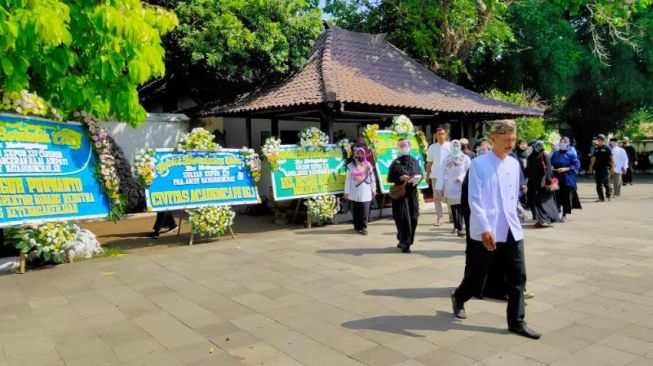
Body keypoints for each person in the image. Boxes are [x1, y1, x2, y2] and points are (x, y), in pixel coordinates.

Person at [450, 119, 540, 340]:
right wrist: (484, 228)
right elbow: (475, 199)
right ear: (493, 140)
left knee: (518, 276)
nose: (511, 144)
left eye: (513, 140)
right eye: (506, 140)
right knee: (477, 274)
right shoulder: (479, 164)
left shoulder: (514, 164)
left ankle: (517, 322)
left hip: (511, 228)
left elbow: (513, 196)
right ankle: (459, 296)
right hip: (487, 229)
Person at [388, 139, 423, 253]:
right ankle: (405, 243)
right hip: (400, 195)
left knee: (413, 218)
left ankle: (405, 239)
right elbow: (390, 178)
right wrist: (400, 178)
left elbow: (421, 174)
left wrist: (417, 178)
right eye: (401, 146)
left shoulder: (414, 161)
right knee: (403, 219)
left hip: (412, 193)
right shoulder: (395, 163)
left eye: (405, 145)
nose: (404, 147)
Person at [435, 140, 471, 237]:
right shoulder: (447, 159)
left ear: (459, 146)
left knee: (460, 207)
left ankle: (460, 228)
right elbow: (441, 173)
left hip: (461, 186)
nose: (455, 147)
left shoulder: (465, 158)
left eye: (457, 145)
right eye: (453, 146)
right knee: (454, 208)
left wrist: (463, 178)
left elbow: (470, 171)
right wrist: (439, 186)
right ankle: (457, 226)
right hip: (450, 186)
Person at [525, 141, 559, 227]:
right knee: (535, 201)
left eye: (530, 146)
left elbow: (549, 169)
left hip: (543, 182)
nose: (528, 148)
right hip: (533, 183)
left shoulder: (543, 155)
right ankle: (541, 219)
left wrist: (548, 181)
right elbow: (527, 170)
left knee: (543, 202)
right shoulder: (530, 157)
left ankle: (543, 220)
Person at [344, 147, 377, 235]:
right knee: (356, 210)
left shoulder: (368, 165)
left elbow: (372, 178)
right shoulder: (350, 166)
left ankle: (363, 227)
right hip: (354, 191)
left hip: (365, 191)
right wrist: (346, 192)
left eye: (361, 153)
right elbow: (348, 180)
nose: (360, 155)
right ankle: (357, 226)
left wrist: (374, 189)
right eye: (358, 153)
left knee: (365, 210)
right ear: (354, 154)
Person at [550, 138, 582, 221]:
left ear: (568, 143)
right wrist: (553, 168)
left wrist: (566, 169)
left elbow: (577, 165)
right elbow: (550, 163)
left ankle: (564, 215)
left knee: (565, 196)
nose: (562, 144)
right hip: (556, 177)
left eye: (564, 142)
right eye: (561, 142)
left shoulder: (571, 154)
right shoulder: (556, 153)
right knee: (555, 195)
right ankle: (556, 212)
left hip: (567, 178)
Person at [426, 128, 451, 226]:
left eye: (442, 134)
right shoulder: (432, 147)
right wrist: (427, 175)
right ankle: (439, 218)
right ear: (436, 136)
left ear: (446, 135)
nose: (440, 136)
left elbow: (457, 160)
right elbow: (429, 163)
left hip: (448, 176)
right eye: (438, 134)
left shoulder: (451, 146)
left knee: (449, 197)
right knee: (437, 198)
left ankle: (451, 215)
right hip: (435, 176)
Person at [588, 134, 614, 202]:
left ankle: (609, 195)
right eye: (597, 140)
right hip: (598, 169)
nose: (597, 141)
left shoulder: (607, 148)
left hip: (606, 168)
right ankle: (601, 198)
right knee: (598, 184)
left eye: (598, 140)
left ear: (602, 140)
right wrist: (590, 167)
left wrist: (612, 168)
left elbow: (612, 159)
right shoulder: (596, 149)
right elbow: (594, 159)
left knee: (606, 183)